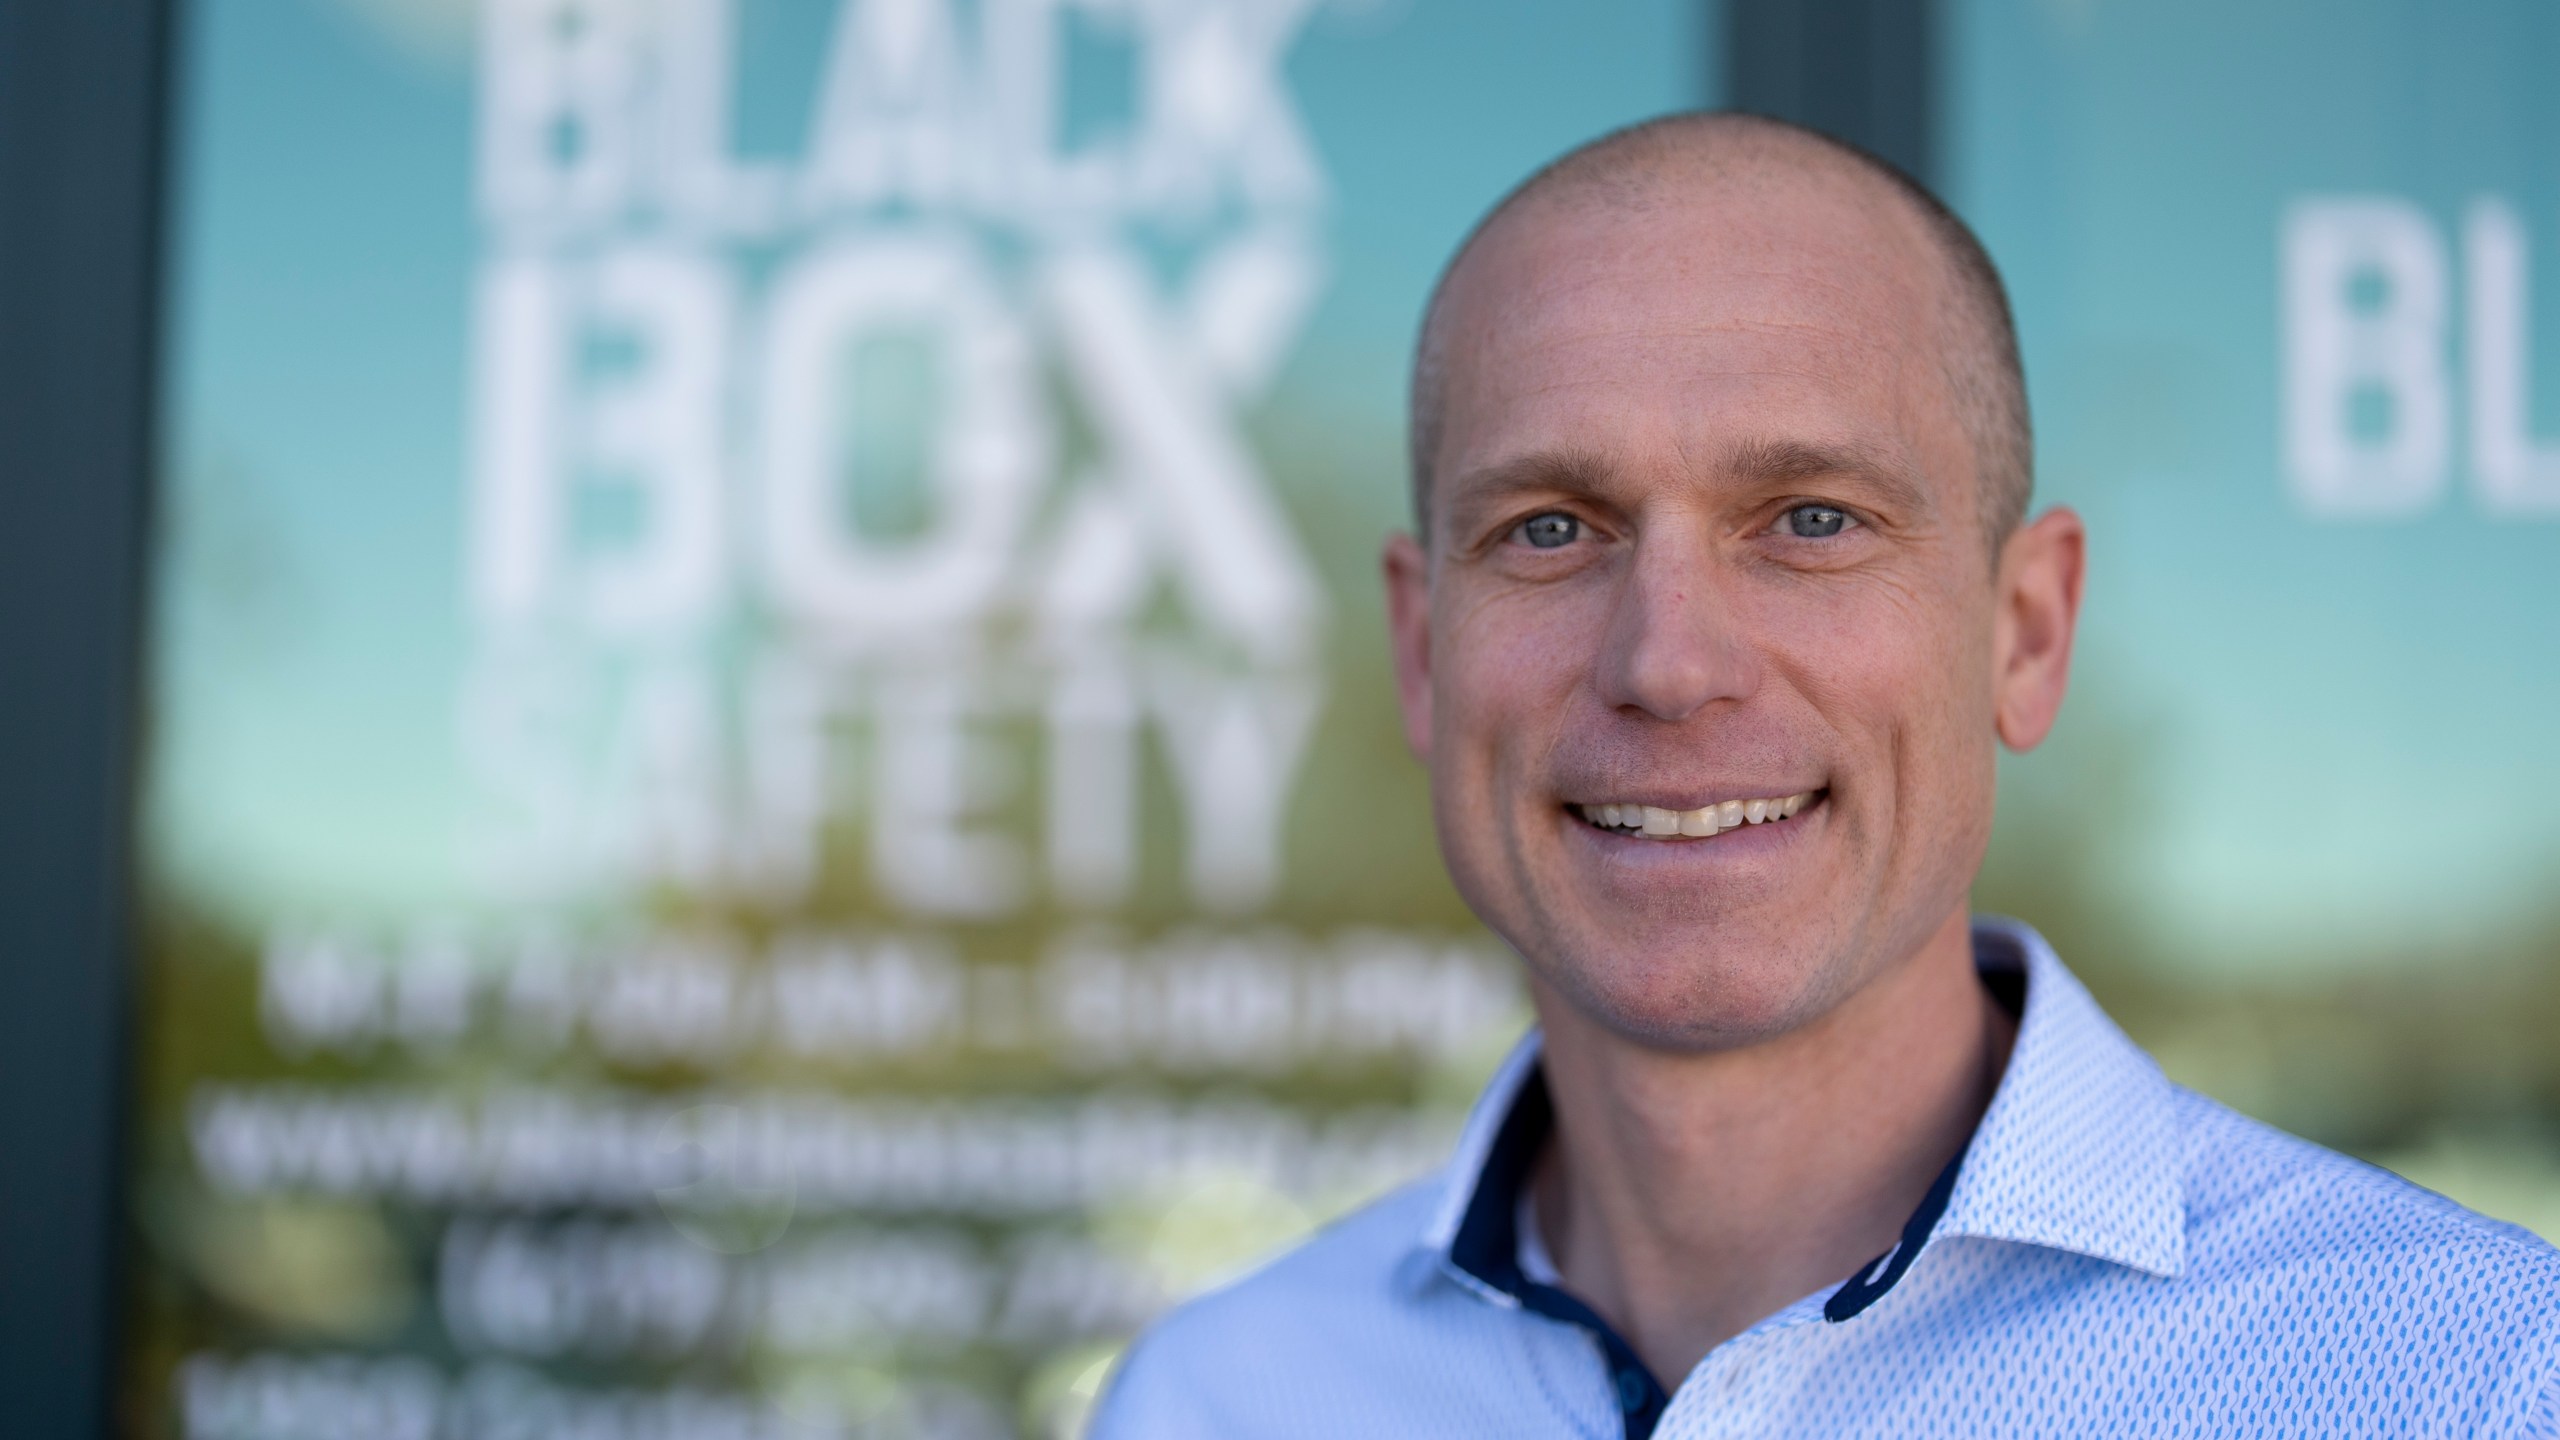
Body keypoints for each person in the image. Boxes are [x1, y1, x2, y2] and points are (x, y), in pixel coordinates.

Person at [1087, 112, 2560, 1438]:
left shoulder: (2477, 1383)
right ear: (1421, 650)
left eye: (1809, 518)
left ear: (2025, 633)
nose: (1668, 662)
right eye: (1549, 529)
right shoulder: (1222, 1400)